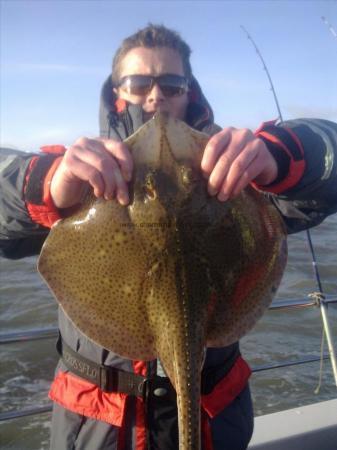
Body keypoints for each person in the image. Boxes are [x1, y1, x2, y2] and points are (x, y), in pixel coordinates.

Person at [1, 24, 337, 450]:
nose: (155, 96)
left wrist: (282, 154)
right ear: (118, 92)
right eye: (140, 83)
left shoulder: (235, 174)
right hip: (99, 424)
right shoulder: (75, 172)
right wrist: (44, 184)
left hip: (215, 418)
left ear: (188, 91)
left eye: (172, 84)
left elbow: (331, 159)